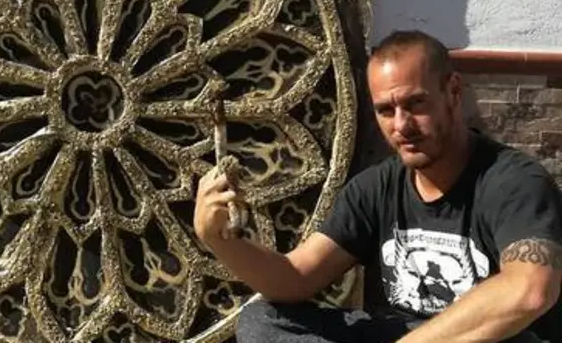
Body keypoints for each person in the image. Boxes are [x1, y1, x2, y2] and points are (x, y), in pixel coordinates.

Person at [193, 30, 562, 343]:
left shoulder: (513, 182)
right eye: (386, 110)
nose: (401, 125)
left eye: (416, 103)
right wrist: (219, 240)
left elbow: (529, 290)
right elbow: (294, 279)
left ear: (453, 92)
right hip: (401, 331)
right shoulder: (375, 187)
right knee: (263, 320)